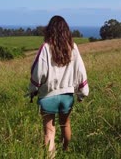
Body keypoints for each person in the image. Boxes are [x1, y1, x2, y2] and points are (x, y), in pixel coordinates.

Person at [28, 15, 89, 155]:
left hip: (48, 95)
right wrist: (82, 92)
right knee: (65, 125)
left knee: (49, 132)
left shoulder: (45, 48)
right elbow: (80, 70)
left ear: (50, 30)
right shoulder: (73, 47)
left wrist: (33, 89)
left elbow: (38, 72)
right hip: (67, 96)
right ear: (66, 31)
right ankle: (65, 152)